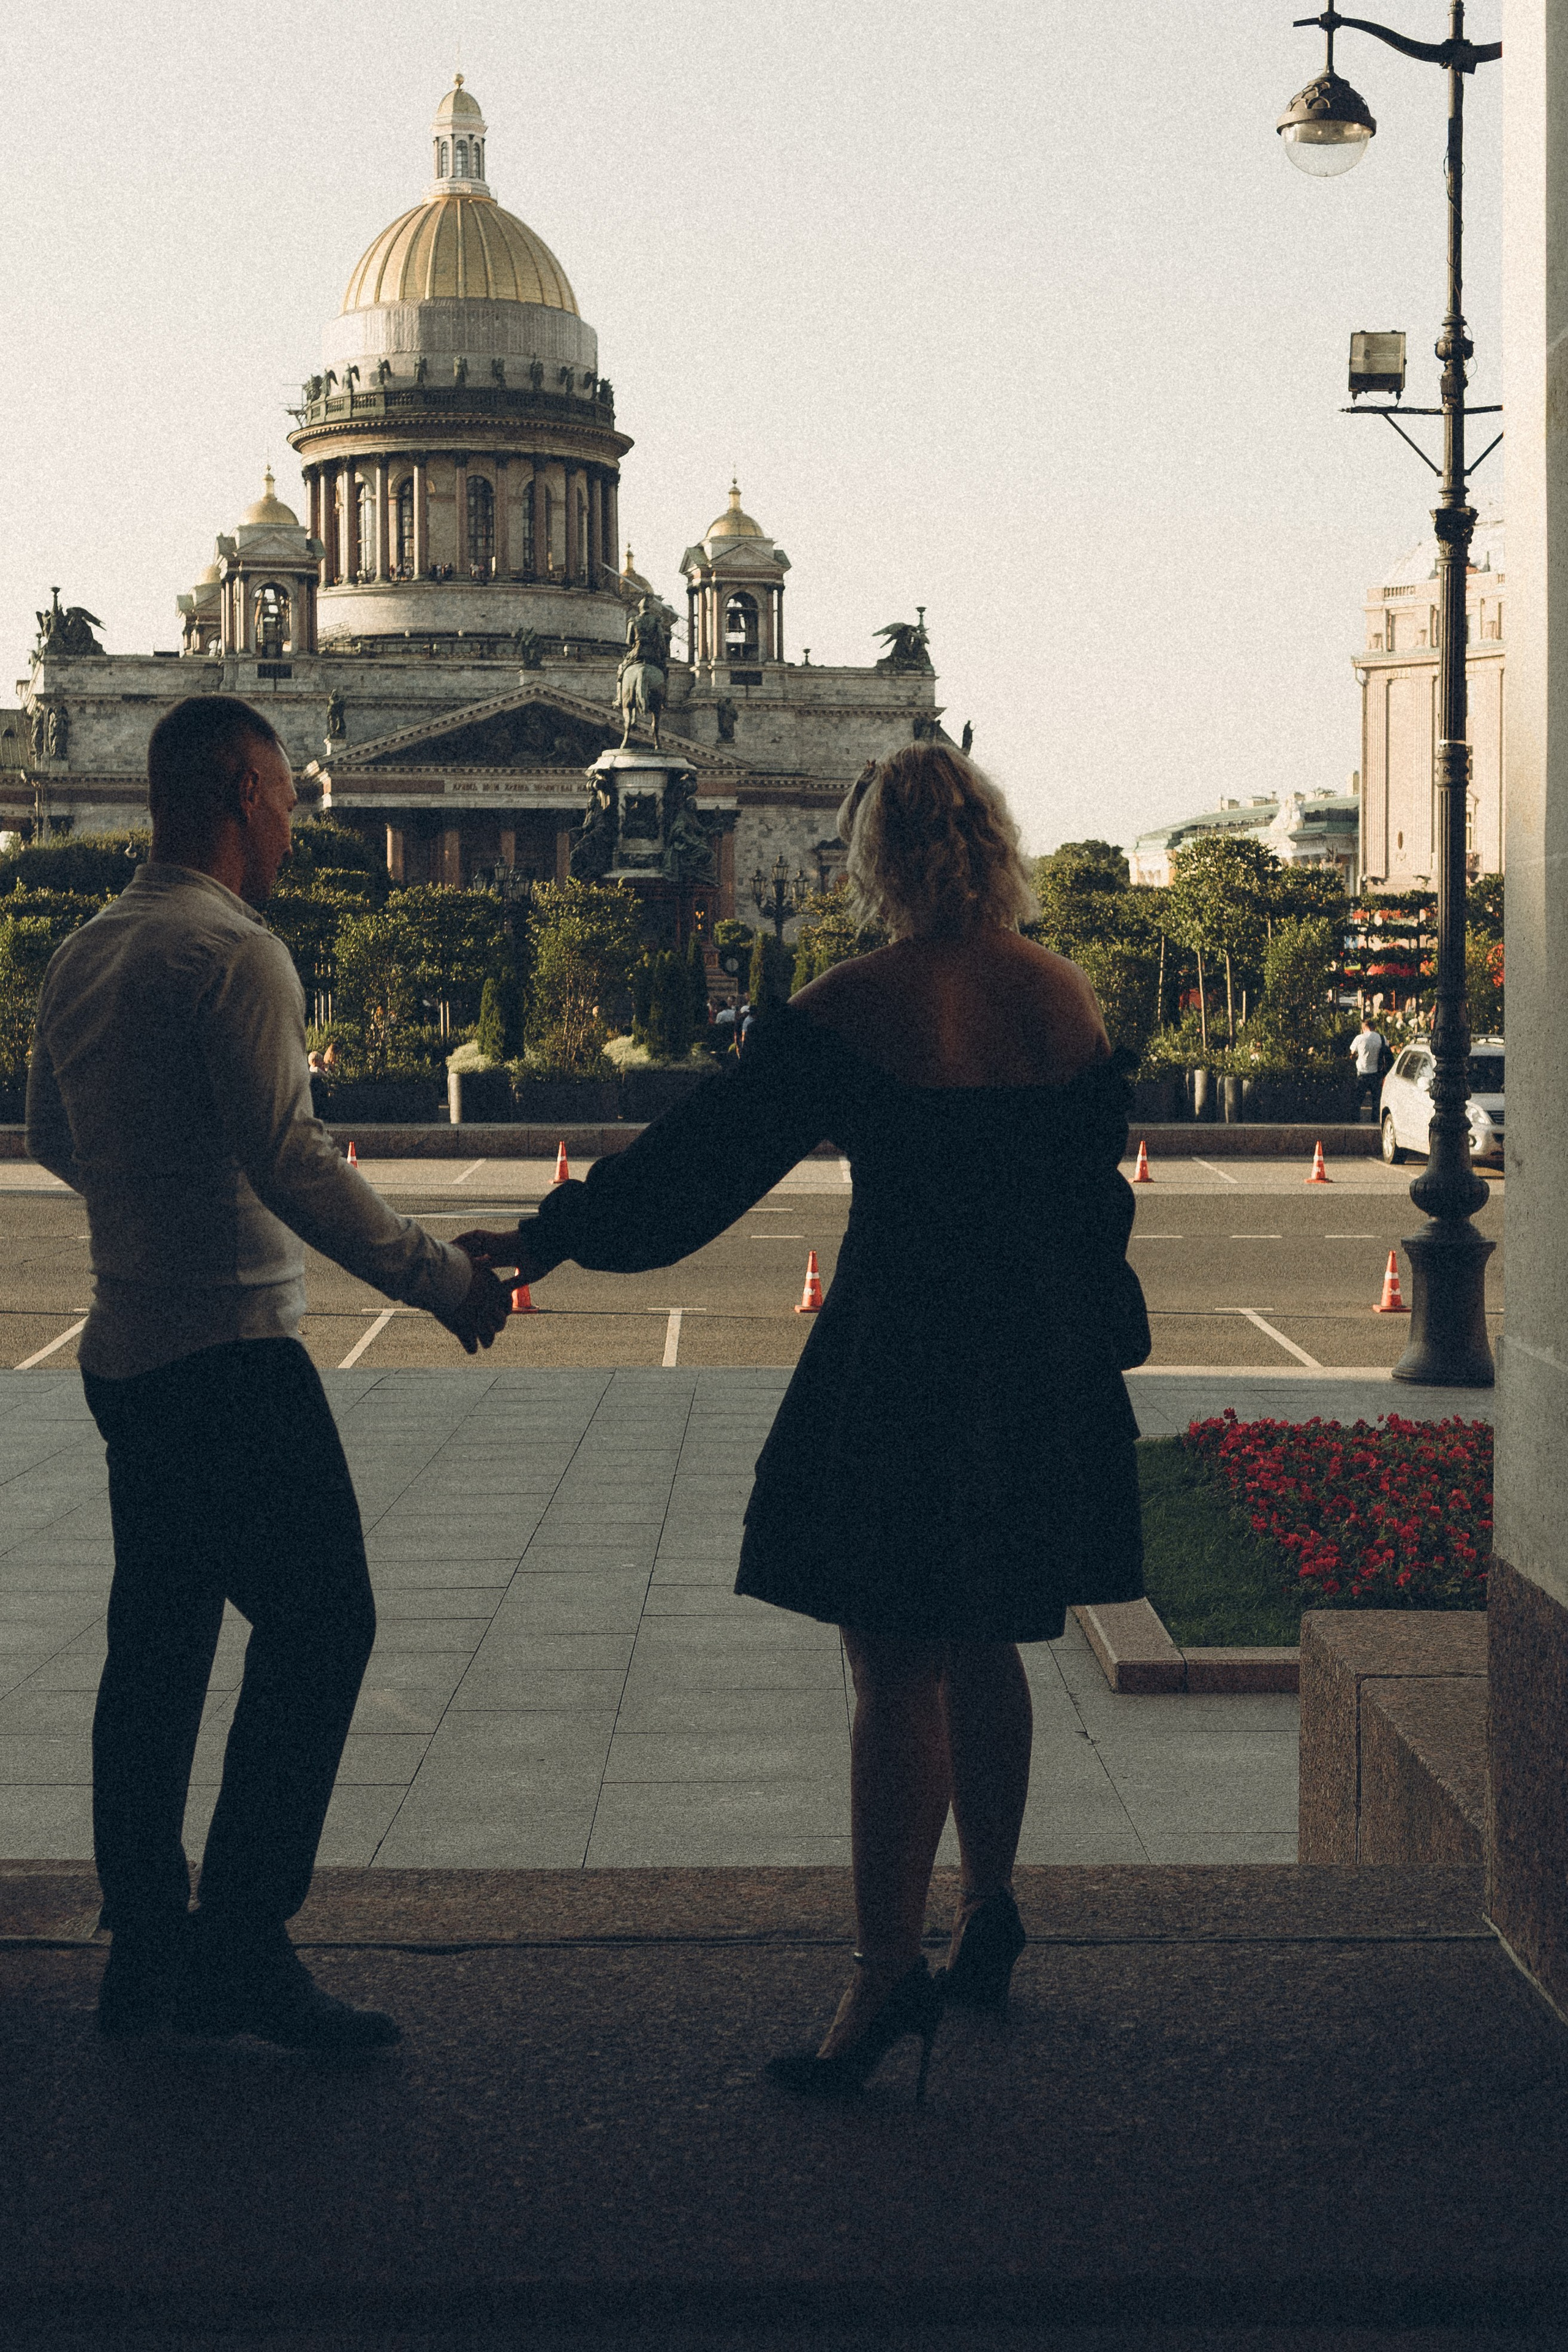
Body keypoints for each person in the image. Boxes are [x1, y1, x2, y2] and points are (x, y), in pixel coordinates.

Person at [455, 744, 1150, 2105]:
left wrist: (551, 1237)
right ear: (995, 842)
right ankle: (988, 1909)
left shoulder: (855, 1002)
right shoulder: (1059, 997)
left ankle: (882, 1972)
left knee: (892, 1661)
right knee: (993, 1628)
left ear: (874, 858)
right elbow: (1096, 1208)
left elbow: (700, 1168)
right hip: (1033, 1360)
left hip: (901, 1356)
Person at [26, 695, 511, 2051]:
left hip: (124, 1348)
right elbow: (291, 1161)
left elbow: (53, 1130)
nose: (299, 816)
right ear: (243, 788)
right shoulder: (237, 953)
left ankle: (146, 1951)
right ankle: (242, 1939)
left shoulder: (88, 946)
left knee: (158, 1648)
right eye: (288, 794)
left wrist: (156, 1197)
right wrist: (444, 1282)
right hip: (233, 1352)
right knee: (323, 1627)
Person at [1349, 1016, 1388, 1112]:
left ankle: (1356, 1119)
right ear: (1374, 1028)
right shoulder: (1382, 1039)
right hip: (1377, 1073)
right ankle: (1375, 1119)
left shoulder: (1359, 1038)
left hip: (1362, 1072)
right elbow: (1387, 1052)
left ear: (1363, 1028)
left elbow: (1352, 1054)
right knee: (1376, 1100)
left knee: (1358, 1100)